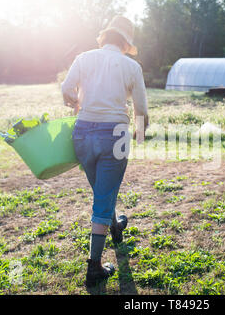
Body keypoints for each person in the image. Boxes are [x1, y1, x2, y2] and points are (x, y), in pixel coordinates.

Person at [61, 15, 149, 287]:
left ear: (105, 37)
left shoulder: (83, 58)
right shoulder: (131, 66)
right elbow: (141, 110)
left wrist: (77, 104)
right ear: (125, 42)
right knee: (102, 198)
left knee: (102, 189)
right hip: (115, 134)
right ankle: (94, 267)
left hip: (83, 133)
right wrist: (140, 133)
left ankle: (114, 226)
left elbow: (65, 89)